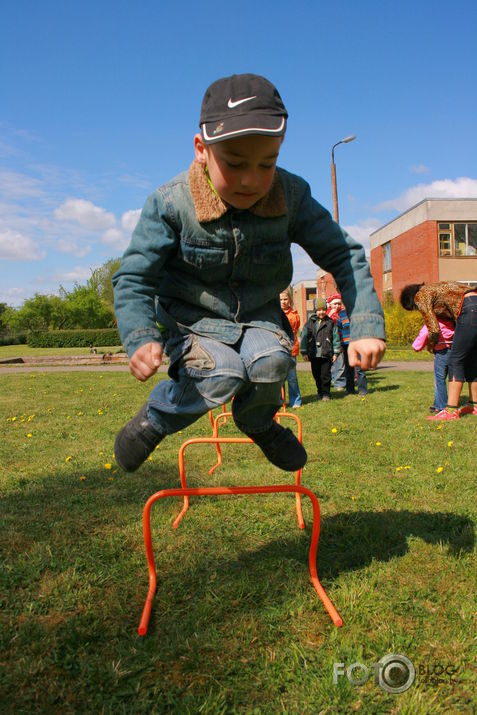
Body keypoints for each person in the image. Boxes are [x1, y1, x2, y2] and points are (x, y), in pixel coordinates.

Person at [112, 73, 386, 473]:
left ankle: (257, 421)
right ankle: (155, 419)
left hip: (260, 318)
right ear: (201, 150)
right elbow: (134, 277)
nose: (251, 180)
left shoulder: (291, 196)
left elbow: (344, 255)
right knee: (221, 371)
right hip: (191, 323)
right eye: (235, 163)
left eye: (267, 164)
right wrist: (140, 337)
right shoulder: (170, 204)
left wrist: (364, 323)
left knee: (272, 363)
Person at [400, 281, 477, 420]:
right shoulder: (433, 288)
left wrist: (431, 344)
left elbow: (434, 329)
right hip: (474, 302)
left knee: (455, 360)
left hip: (468, 309)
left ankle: (450, 411)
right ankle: (474, 405)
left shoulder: (420, 296)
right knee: (471, 359)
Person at [300, 298, 341, 401]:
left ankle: (326, 394)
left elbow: (335, 338)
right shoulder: (310, 323)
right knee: (316, 374)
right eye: (319, 310)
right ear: (315, 310)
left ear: (326, 310)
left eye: (323, 309)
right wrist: (304, 352)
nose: (321, 312)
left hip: (326, 354)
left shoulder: (330, 323)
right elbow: (304, 337)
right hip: (314, 354)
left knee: (325, 375)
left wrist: (336, 352)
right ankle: (320, 391)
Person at [412, 318, 455, 412]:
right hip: (453, 349)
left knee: (439, 379)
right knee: (452, 379)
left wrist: (416, 347)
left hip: (441, 351)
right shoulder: (451, 320)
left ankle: (441, 406)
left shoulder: (434, 320)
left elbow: (424, 333)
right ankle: (444, 403)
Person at [335, 305, 369, 396]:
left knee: (360, 368)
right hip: (346, 346)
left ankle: (362, 390)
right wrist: (340, 345)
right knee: (348, 368)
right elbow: (338, 330)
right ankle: (350, 390)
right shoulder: (341, 315)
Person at [280, 288, 302, 408]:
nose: (283, 302)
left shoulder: (293, 314)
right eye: (281, 300)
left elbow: (295, 325)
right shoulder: (275, 314)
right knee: (279, 378)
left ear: (289, 300)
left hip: (291, 350)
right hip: (278, 349)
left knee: (292, 377)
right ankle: (280, 401)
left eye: (285, 299)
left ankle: (296, 401)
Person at [327, 293, 346, 390]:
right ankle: (329, 380)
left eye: (339, 304)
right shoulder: (327, 314)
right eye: (335, 304)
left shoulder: (342, 314)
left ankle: (339, 383)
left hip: (340, 342)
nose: (337, 306)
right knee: (328, 364)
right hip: (328, 342)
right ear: (330, 304)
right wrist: (330, 315)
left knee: (339, 363)